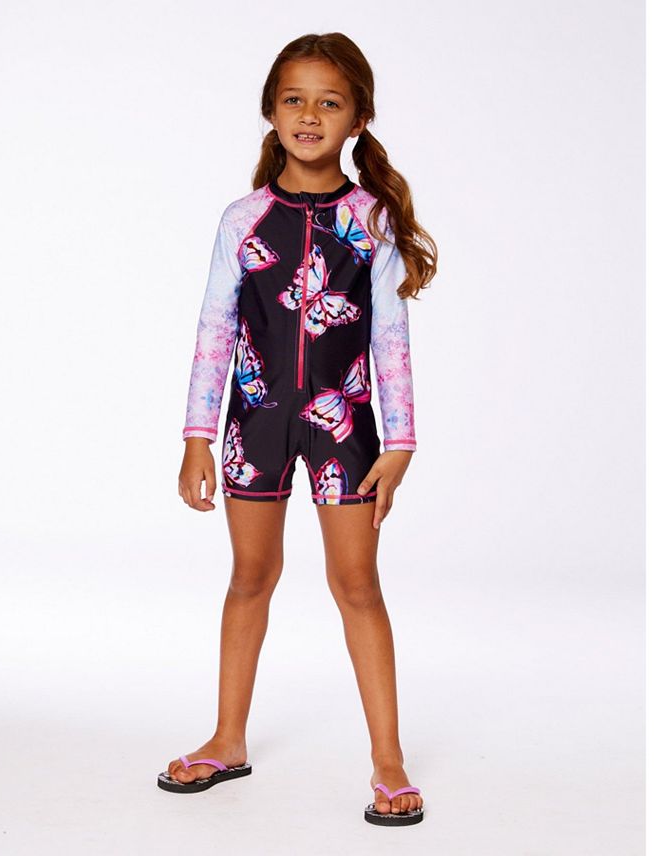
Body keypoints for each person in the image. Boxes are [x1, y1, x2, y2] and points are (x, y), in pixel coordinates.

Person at [156, 31, 438, 827]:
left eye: (329, 102)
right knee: (250, 577)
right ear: (271, 112)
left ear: (357, 119)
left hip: (346, 427)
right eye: (294, 100)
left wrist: (401, 444)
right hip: (254, 422)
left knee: (357, 585)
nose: (310, 115)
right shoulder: (243, 220)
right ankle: (227, 739)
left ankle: (388, 759)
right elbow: (215, 329)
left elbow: (389, 338)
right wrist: (197, 436)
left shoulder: (372, 220)